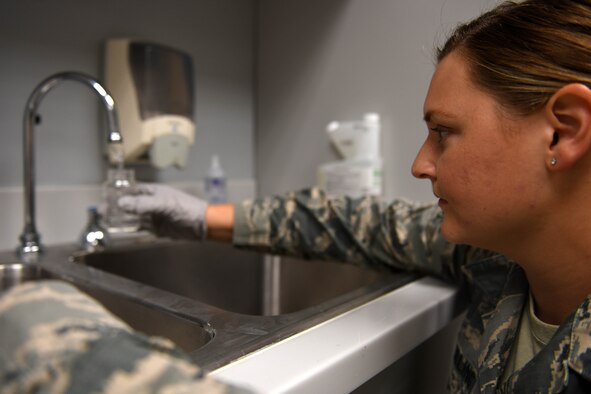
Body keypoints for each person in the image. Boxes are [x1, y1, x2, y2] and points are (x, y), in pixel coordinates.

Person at [115, 1, 591, 392]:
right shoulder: (495, 260)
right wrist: (205, 218)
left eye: (444, 133)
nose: (420, 164)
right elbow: (364, 225)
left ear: (563, 132)